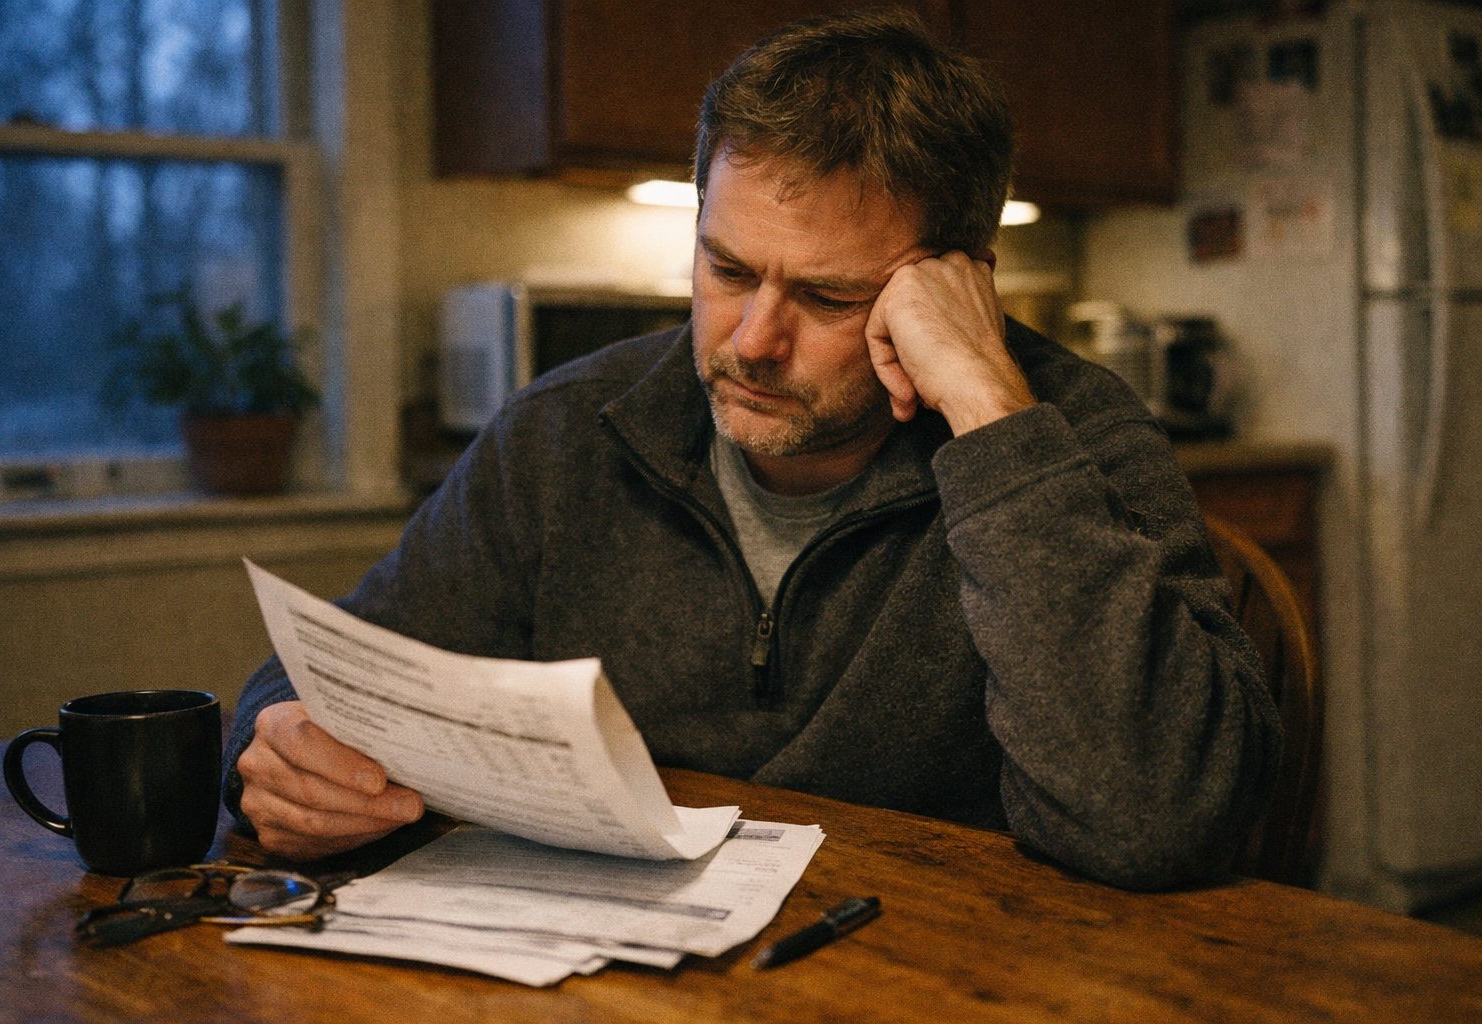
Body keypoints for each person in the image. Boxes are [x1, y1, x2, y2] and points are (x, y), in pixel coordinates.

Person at [225, 9, 1282, 890]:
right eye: (727, 269)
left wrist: (993, 416)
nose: (753, 341)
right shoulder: (566, 431)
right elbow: (332, 668)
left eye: (828, 296)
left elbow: (1161, 818)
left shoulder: (1071, 436)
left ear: (956, 285)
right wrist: (274, 747)